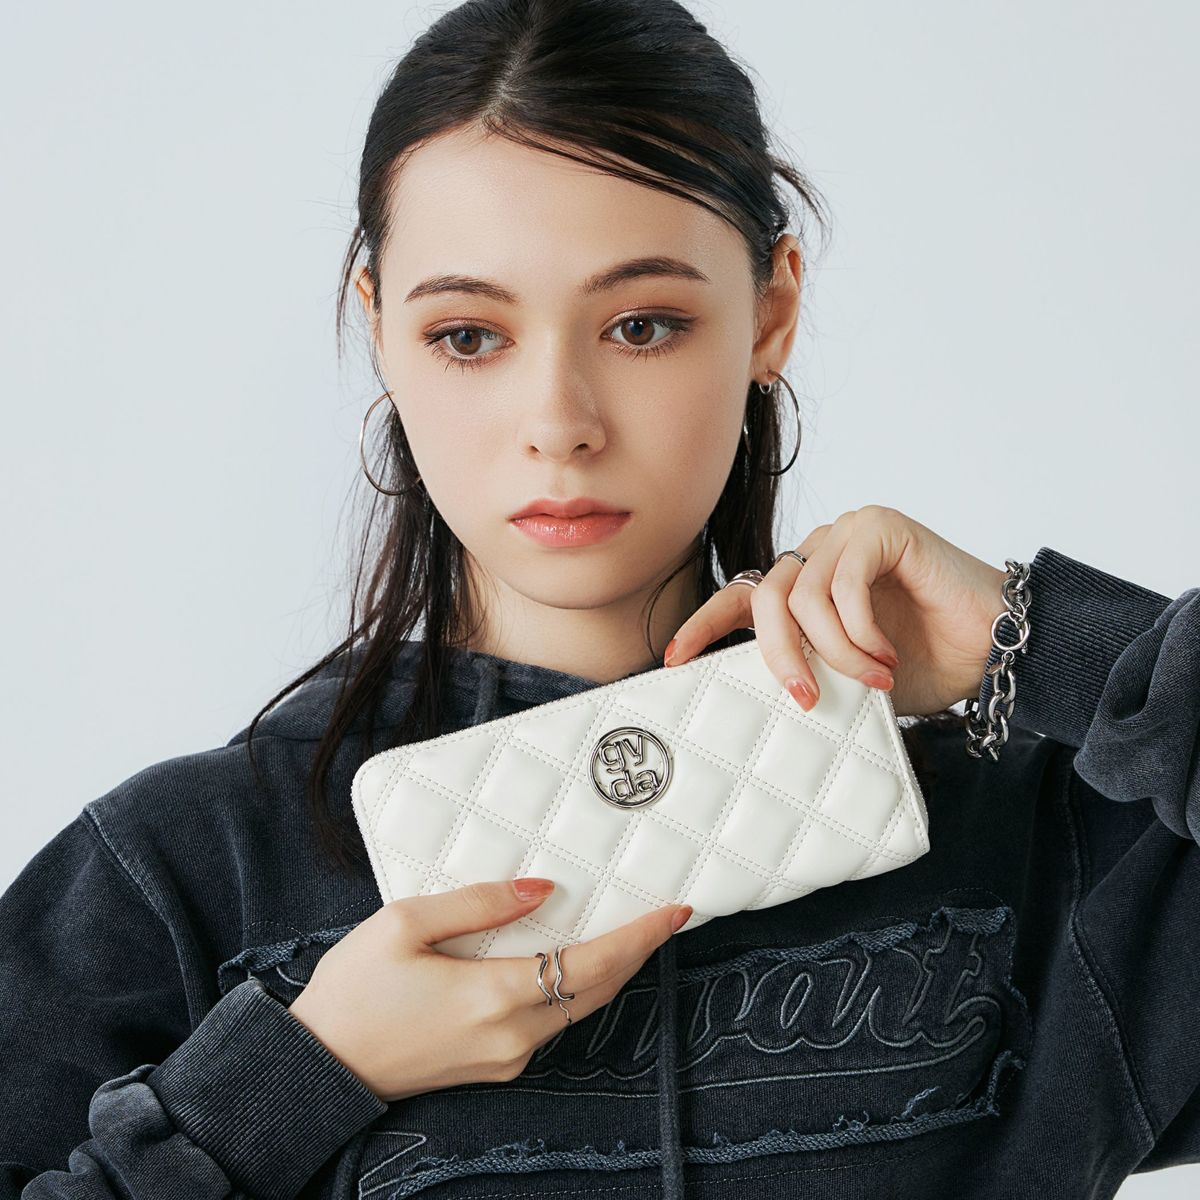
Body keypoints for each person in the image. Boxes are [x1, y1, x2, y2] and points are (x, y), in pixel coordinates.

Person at [2, 1, 1197, 1197]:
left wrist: (1042, 641)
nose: (559, 424)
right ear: (380, 330)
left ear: (772, 312)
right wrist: (298, 1073)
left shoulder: (1046, 853)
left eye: (641, 324)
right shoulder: (183, 872)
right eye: (470, 336)